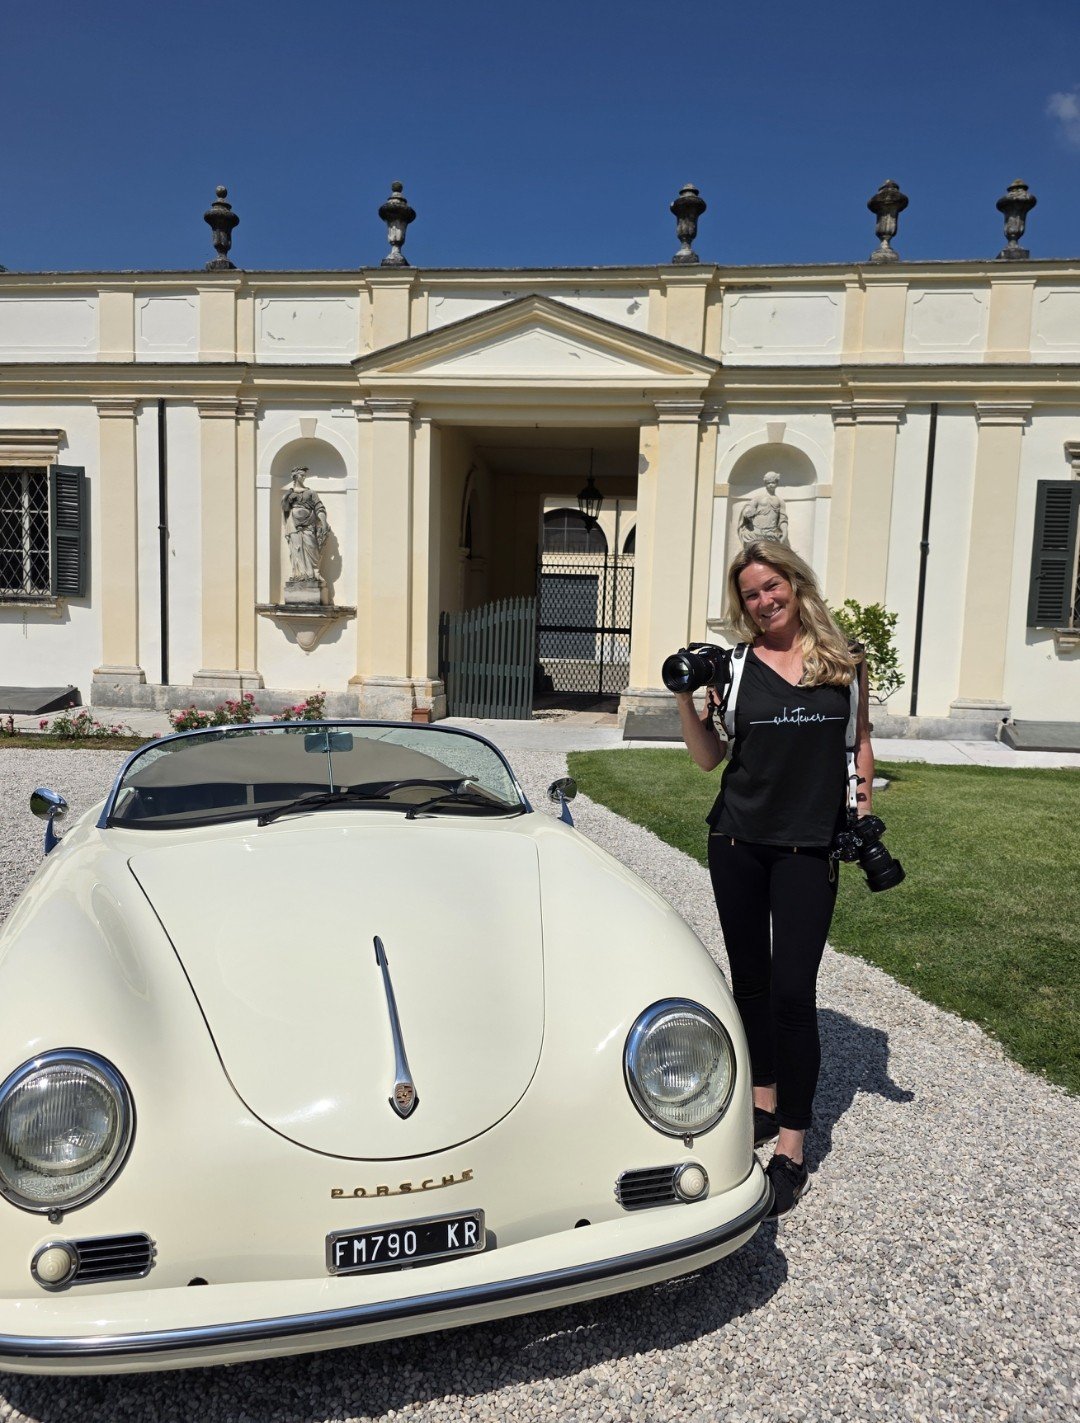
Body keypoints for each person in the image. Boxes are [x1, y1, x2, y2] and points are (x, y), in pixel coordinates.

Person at [672, 540, 873, 1218]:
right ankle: (761, 1100)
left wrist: (863, 805)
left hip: (806, 847)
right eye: (751, 594)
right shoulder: (732, 667)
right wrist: (686, 701)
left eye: (771, 586)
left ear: (794, 582)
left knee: (793, 989)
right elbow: (708, 760)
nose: (764, 601)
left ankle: (792, 1142)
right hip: (736, 838)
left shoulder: (844, 662)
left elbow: (861, 738)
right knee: (750, 979)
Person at [282, 467, 329, 583]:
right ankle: (299, 574)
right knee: (296, 549)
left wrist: (323, 522)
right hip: (293, 524)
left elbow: (319, 507)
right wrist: (288, 499)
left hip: (309, 523)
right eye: (301, 475)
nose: (304, 477)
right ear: (295, 476)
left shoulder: (311, 492)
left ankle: (313, 573)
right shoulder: (289, 494)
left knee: (311, 547)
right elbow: (285, 509)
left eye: (304, 475)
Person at [737, 471, 789, 547]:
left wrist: (785, 531)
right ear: (765, 484)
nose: (771, 485)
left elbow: (782, 519)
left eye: (773, 482)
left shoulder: (780, 501)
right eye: (768, 483)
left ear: (777, 483)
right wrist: (747, 513)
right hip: (755, 533)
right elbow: (748, 508)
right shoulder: (758, 498)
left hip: (772, 534)